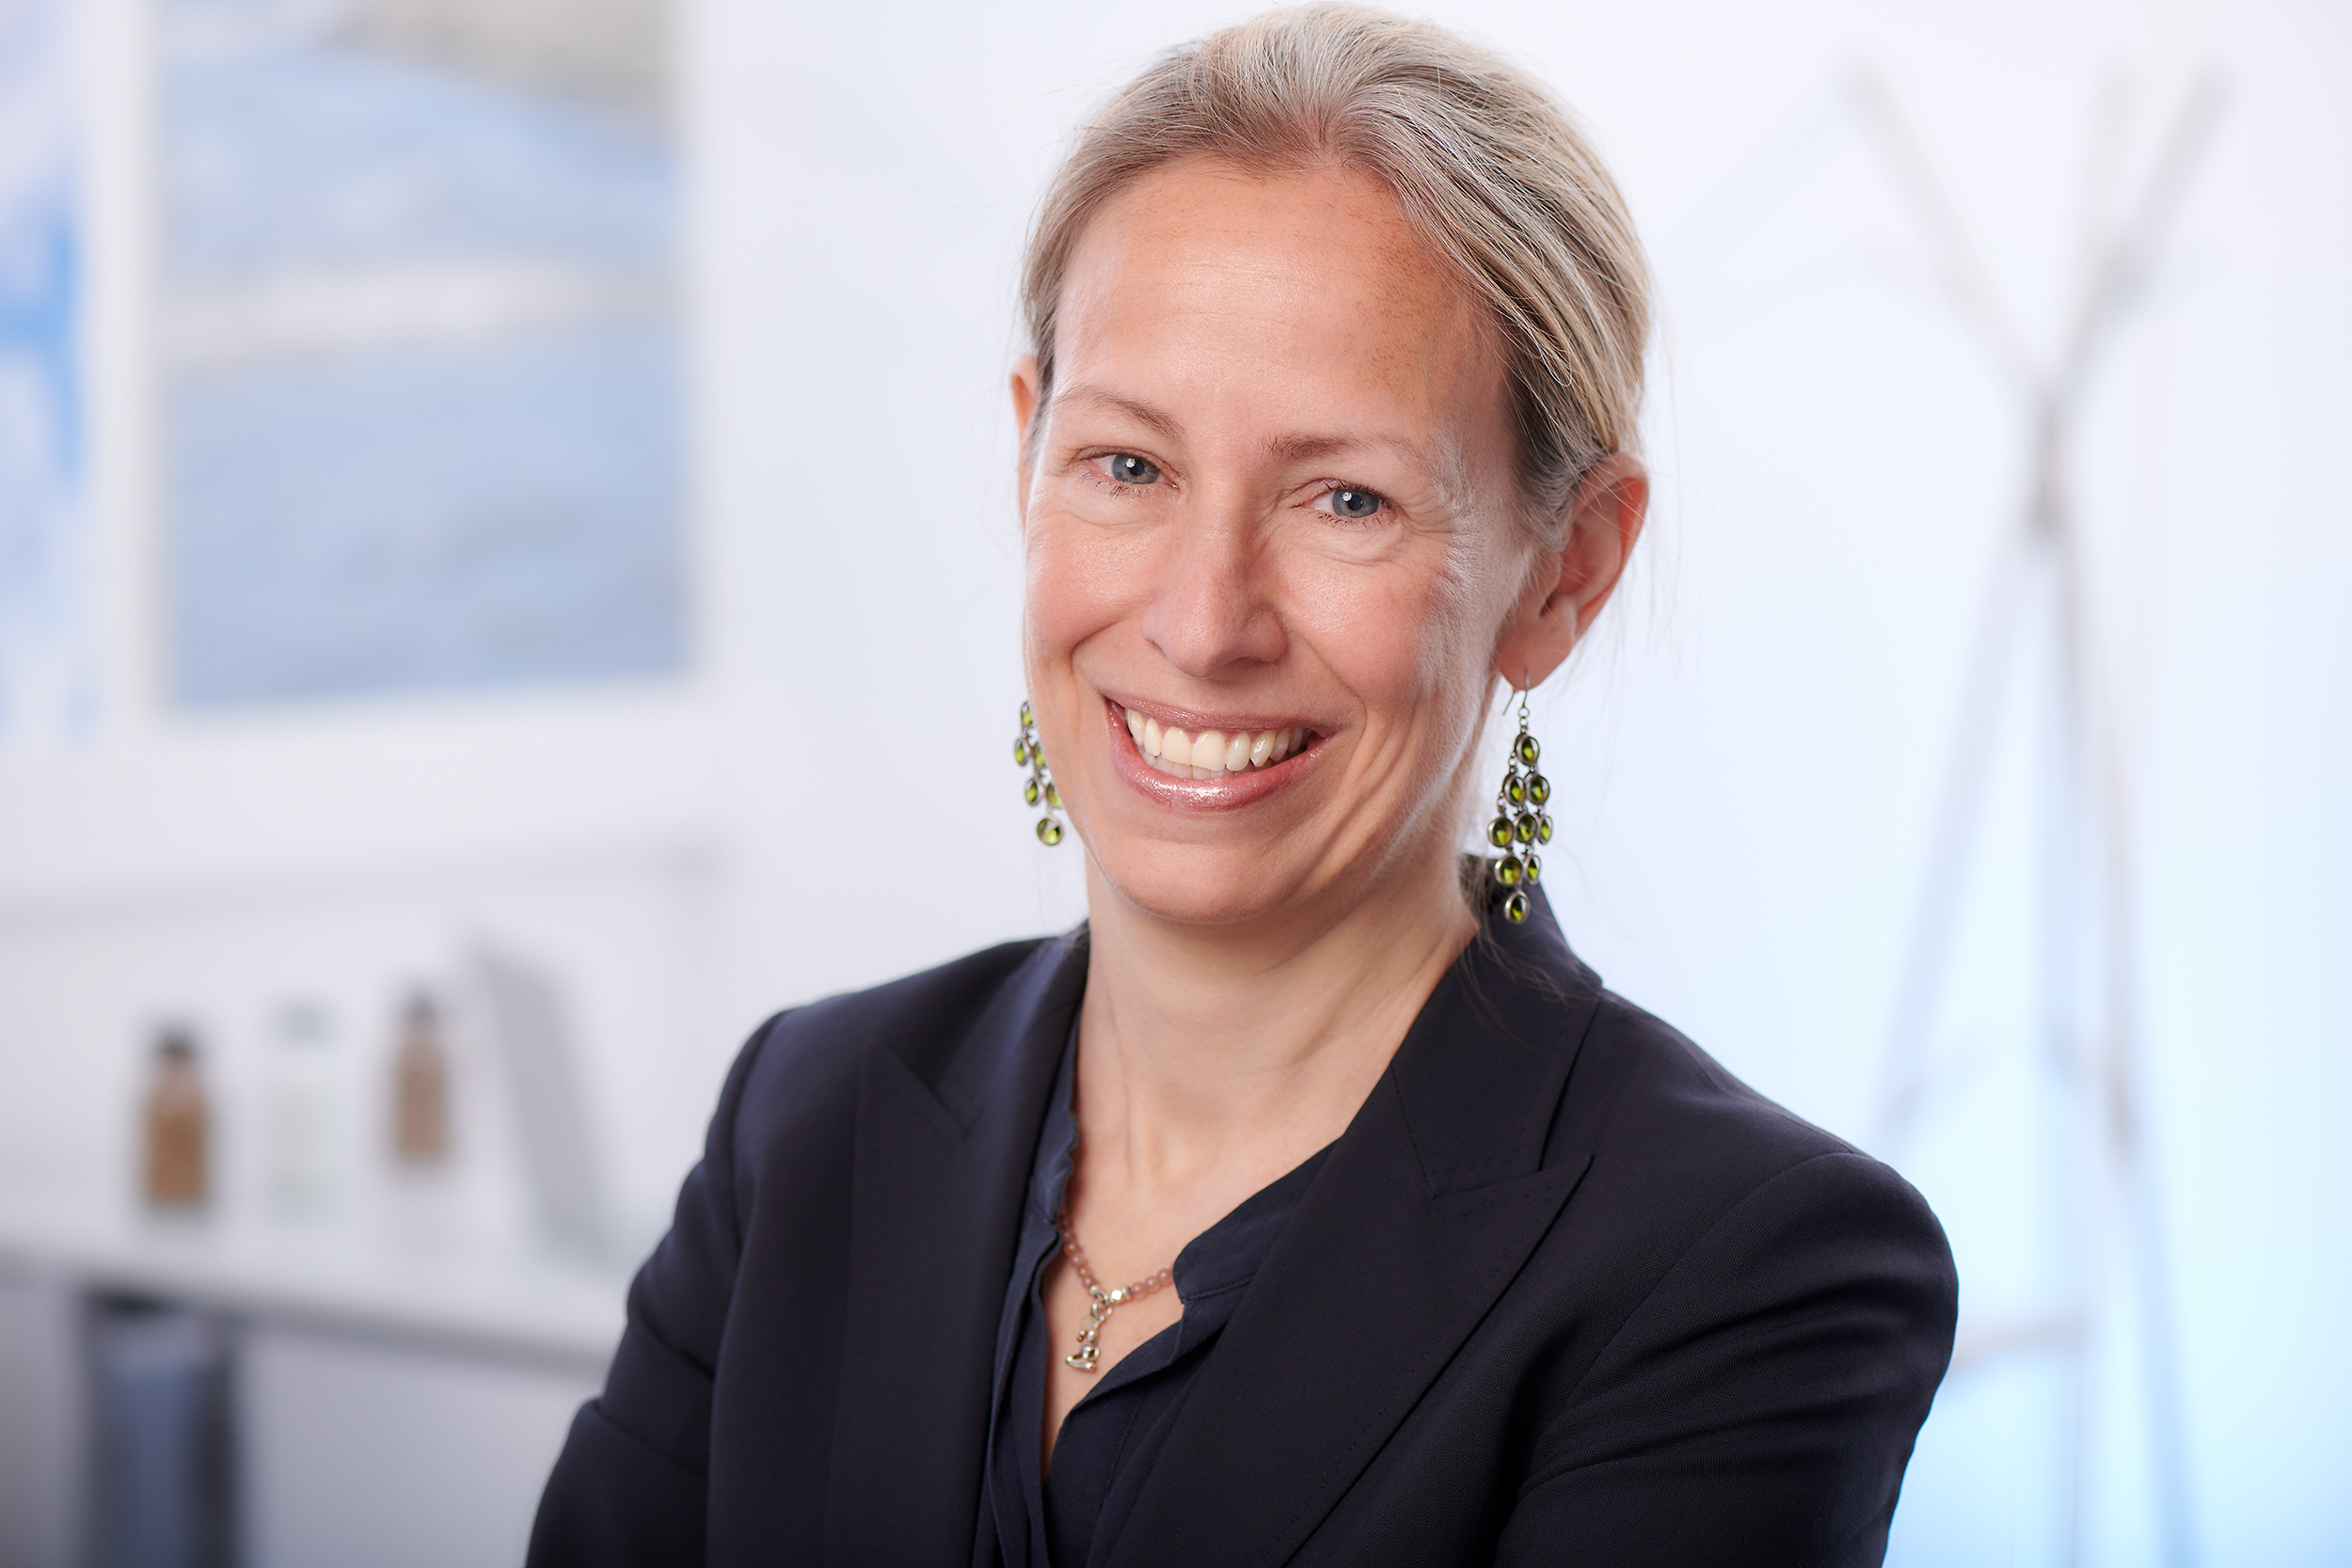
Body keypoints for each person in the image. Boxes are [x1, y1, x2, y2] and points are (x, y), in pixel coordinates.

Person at [527, 7, 1958, 1564]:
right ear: (1028, 461)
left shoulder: (1749, 1267)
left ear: (1566, 572)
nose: (1204, 624)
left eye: (1347, 499)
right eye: (1129, 467)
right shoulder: (809, 1118)